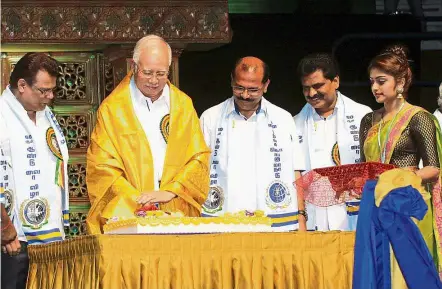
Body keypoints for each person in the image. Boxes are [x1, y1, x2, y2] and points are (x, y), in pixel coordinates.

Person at [86, 35, 210, 234]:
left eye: (161, 73)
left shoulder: (182, 105)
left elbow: (199, 157)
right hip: (129, 212)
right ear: (134, 66)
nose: (154, 81)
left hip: (175, 207)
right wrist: (137, 199)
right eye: (148, 72)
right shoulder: (113, 109)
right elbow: (102, 166)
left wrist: (171, 191)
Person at [359, 44, 442, 278]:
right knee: (376, 267)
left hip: (406, 204)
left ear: (401, 82)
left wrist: (403, 176)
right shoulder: (369, 120)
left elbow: (434, 169)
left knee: (405, 272)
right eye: (372, 81)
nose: (374, 87)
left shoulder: (419, 118)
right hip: (374, 204)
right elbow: (365, 164)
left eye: (381, 81)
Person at [200, 56, 307, 231]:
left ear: (266, 86)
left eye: (253, 90)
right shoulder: (210, 118)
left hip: (273, 221)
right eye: (239, 88)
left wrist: (301, 216)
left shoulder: (283, 119)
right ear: (231, 81)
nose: (245, 95)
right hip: (224, 219)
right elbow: (199, 170)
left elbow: (296, 170)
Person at [0, 52, 70, 289]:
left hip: (48, 238)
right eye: (43, 90)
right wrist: (5, 228)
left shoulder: (46, 115)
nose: (49, 97)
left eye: (52, 90)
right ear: (21, 85)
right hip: (12, 240)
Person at [294, 53, 372, 231]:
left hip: (353, 215)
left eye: (318, 85)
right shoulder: (294, 123)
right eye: (306, 88)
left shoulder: (363, 116)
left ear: (335, 81)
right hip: (313, 216)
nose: (312, 93)